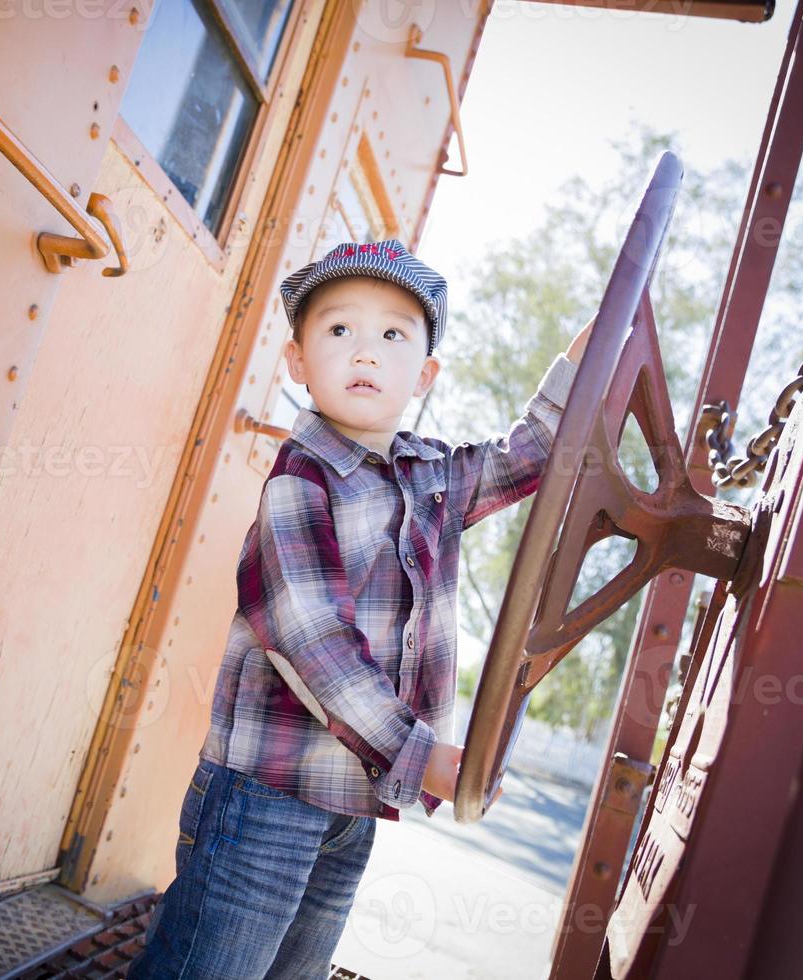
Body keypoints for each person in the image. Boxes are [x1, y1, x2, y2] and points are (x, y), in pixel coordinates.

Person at [126, 238, 594, 979]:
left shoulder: (434, 477)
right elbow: (314, 643)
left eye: (393, 335)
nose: (365, 354)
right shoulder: (301, 482)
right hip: (263, 801)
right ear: (298, 362)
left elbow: (530, 455)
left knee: (295, 971)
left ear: (425, 374)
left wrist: (586, 360)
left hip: (353, 803)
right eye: (338, 331)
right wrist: (422, 758)